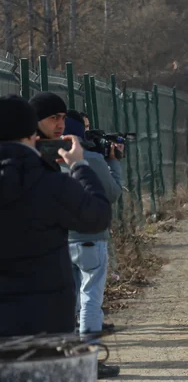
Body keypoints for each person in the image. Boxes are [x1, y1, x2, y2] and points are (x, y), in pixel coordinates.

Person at [0, 95, 112, 340]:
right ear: (32, 134)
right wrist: (80, 167)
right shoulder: (50, 183)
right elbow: (97, 216)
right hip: (46, 325)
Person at [64, 111, 122, 366]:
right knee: (91, 300)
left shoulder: (46, 158)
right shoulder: (92, 159)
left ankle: (67, 359)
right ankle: (89, 362)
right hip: (91, 238)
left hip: (61, 239)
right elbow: (113, 193)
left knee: (69, 301)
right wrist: (114, 161)